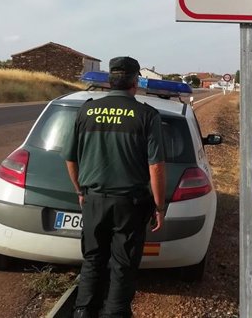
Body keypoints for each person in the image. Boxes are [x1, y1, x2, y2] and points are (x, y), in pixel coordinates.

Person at [63, 56, 166, 318]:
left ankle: (83, 311)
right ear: (135, 81)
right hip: (129, 205)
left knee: (93, 260)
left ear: (110, 80)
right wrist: (159, 205)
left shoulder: (86, 110)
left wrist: (79, 191)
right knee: (123, 264)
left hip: (93, 199)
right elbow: (156, 167)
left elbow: (70, 157)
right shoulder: (146, 115)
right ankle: (115, 313)